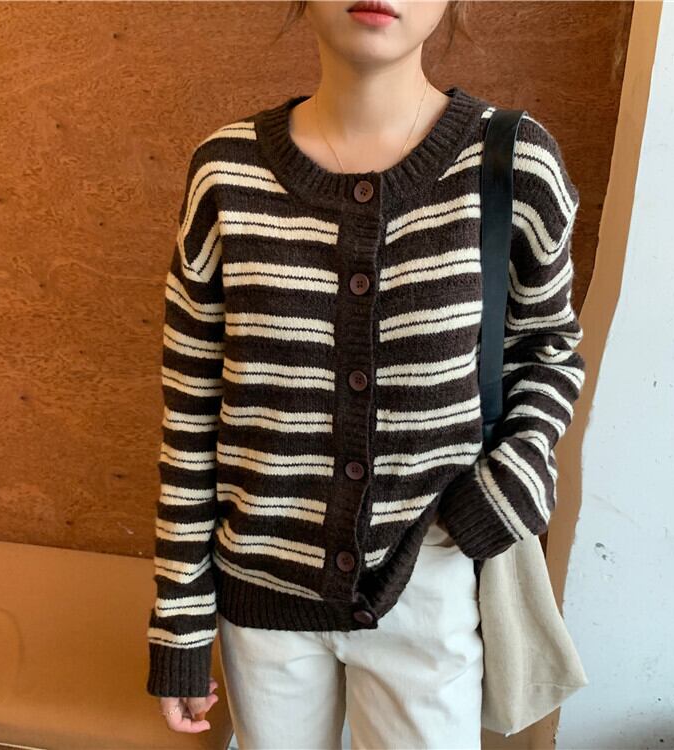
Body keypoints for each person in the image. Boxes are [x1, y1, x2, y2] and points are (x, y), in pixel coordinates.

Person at [145, 1, 586, 747]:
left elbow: (548, 347)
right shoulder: (226, 174)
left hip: (432, 580)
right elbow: (191, 410)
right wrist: (180, 620)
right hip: (262, 602)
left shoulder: (511, 162)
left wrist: (511, 482)